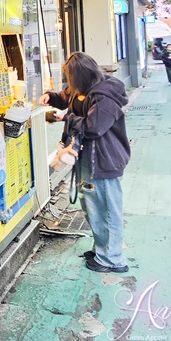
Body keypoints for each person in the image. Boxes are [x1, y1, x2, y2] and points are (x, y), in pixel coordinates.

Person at [40, 52, 130, 274]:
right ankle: (103, 250)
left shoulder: (105, 96)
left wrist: (65, 118)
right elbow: (67, 97)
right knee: (92, 206)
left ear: (82, 78)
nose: (70, 85)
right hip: (88, 158)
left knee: (107, 208)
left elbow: (94, 126)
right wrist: (50, 97)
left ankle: (113, 259)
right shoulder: (83, 89)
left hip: (103, 159)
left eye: (72, 80)